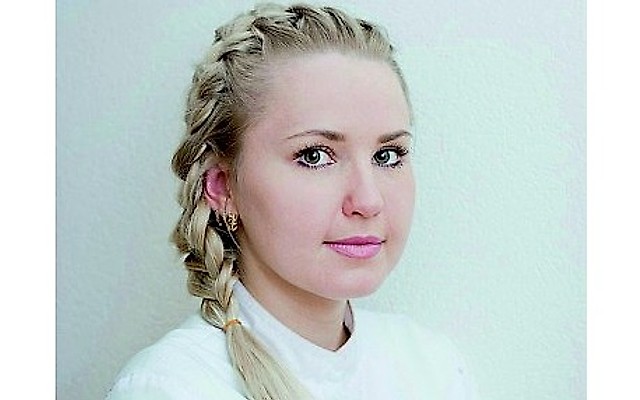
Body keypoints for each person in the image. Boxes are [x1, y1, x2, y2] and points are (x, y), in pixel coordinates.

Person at [106, 3, 476, 399]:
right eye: (314, 156)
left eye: (387, 155)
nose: (368, 201)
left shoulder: (433, 368)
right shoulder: (171, 387)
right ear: (222, 187)